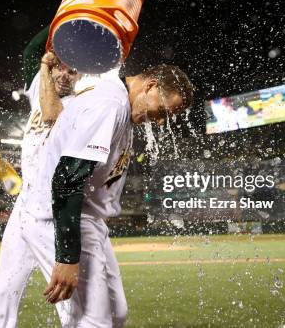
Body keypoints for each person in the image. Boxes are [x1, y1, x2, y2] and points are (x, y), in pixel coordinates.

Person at [39, 64, 194, 326]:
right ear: (151, 85)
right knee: (94, 321)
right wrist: (67, 257)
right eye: (163, 111)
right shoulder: (111, 103)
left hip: (88, 218)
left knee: (115, 314)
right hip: (63, 215)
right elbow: (67, 179)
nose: (159, 121)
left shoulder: (120, 102)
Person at [0, 27, 81, 327]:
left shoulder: (81, 105)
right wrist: (67, 19)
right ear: (51, 68)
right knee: (5, 286)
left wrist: (46, 64)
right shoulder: (38, 89)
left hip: (52, 207)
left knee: (63, 292)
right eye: (60, 68)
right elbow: (31, 49)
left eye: (73, 71)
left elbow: (53, 114)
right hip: (25, 203)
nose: (65, 75)